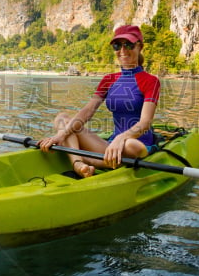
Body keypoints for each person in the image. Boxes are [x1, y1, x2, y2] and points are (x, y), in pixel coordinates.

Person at [38, 25, 161, 177]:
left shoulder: (151, 81)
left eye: (128, 44)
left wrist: (121, 138)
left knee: (132, 145)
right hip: (110, 145)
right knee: (62, 120)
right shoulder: (109, 80)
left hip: (136, 145)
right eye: (117, 45)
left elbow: (145, 123)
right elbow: (87, 111)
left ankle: (93, 159)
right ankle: (78, 164)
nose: (122, 50)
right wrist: (60, 136)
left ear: (139, 47)